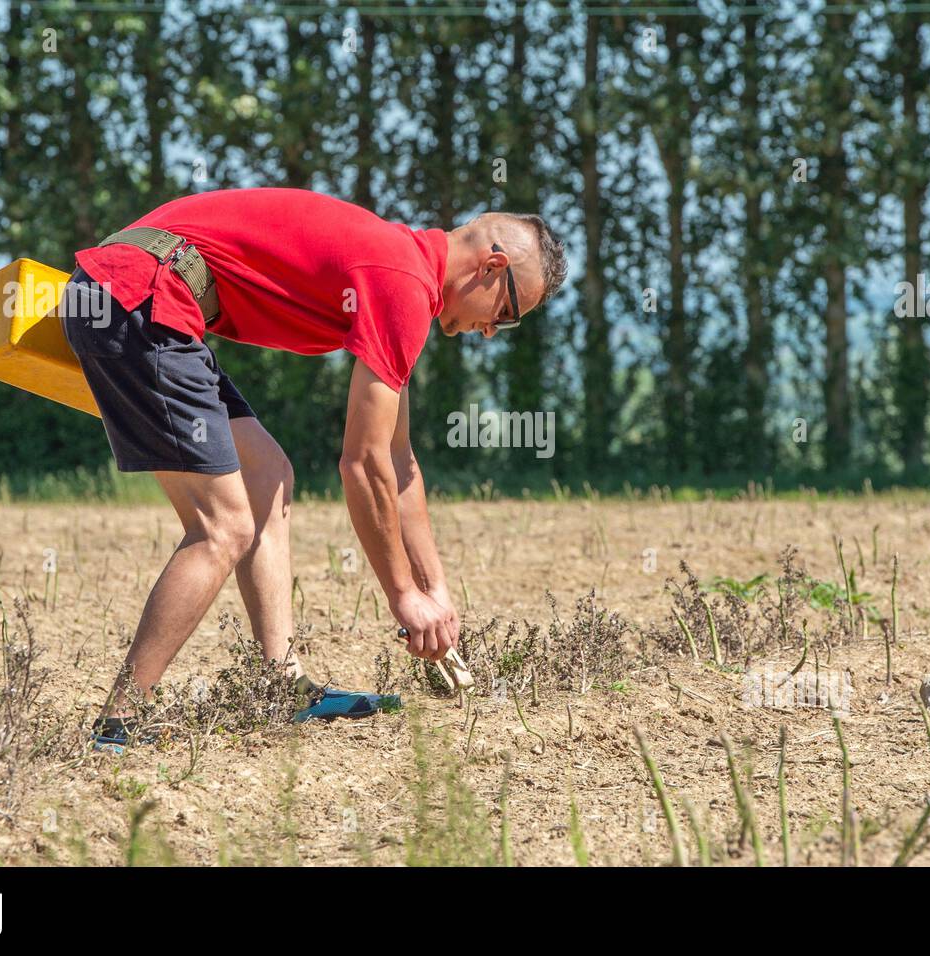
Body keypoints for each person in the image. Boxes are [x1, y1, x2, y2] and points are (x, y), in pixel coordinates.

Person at [56, 188, 567, 748]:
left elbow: (397, 462)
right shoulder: (402, 279)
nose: (493, 330)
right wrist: (402, 596)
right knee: (224, 527)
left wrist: (435, 590)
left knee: (267, 478)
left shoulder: (406, 273)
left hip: (142, 297)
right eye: (508, 313)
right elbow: (361, 462)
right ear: (493, 268)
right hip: (139, 296)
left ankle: (283, 688)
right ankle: (118, 724)